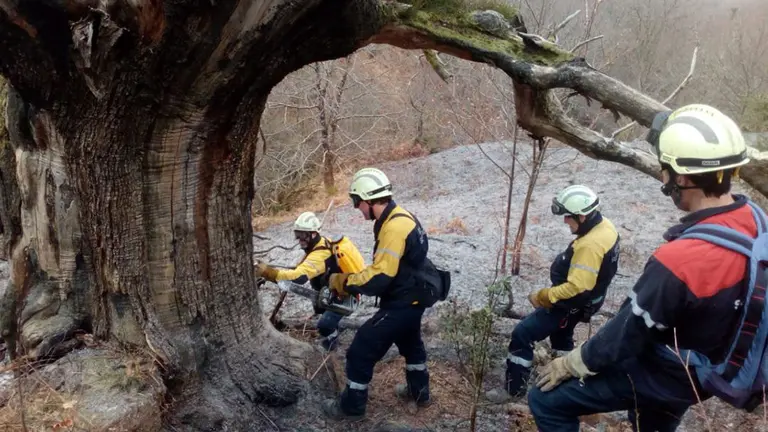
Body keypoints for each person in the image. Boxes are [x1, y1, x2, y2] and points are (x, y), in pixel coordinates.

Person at [529, 103, 758, 431]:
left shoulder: (680, 261)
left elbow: (627, 332)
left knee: (546, 400)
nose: (663, 177)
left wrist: (571, 364)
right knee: (652, 420)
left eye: (665, 169)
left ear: (681, 177)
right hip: (706, 367)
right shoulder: (757, 223)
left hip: (668, 372)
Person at [486, 184, 620, 403]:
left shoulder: (590, 245)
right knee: (562, 336)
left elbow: (576, 288)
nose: (565, 221)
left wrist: (544, 296)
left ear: (582, 216)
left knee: (523, 334)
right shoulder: (606, 227)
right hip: (588, 303)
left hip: (569, 304)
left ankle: (513, 390)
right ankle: (564, 386)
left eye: (568, 216)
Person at [322, 167, 432, 420]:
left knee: (361, 349)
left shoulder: (393, 228)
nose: (356, 208)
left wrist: (345, 281)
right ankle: (419, 393)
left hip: (402, 302)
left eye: (356, 202)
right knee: (411, 344)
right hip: (414, 296)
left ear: (369, 200)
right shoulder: (401, 216)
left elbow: (380, 277)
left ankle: (351, 408)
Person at [255, 211, 362, 351]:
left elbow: (297, 278)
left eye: (303, 235)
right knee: (320, 306)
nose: (299, 239)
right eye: (297, 235)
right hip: (333, 291)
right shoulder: (320, 243)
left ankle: (331, 345)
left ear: (313, 234)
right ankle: (331, 324)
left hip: (345, 296)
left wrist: (266, 272)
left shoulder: (320, 254)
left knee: (324, 326)